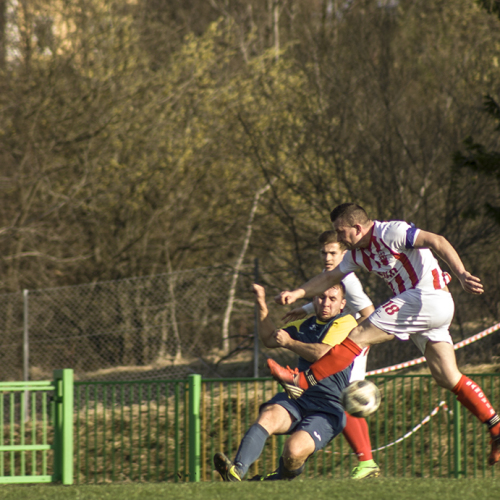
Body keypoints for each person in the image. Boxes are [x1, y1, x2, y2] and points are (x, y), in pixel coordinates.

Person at [269, 203, 500, 466]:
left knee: (358, 334)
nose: (339, 237)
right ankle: (496, 427)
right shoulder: (357, 255)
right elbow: (329, 277)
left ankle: (303, 381)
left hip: (426, 297)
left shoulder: (392, 232)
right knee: (447, 376)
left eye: (340, 231)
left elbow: (437, 240)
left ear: (356, 228)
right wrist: (298, 293)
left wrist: (461, 274)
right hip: (426, 311)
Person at [214, 282, 356, 482]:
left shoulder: (346, 322)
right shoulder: (304, 325)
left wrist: (290, 343)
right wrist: (261, 303)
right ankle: (236, 472)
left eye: (332, 299)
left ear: (342, 304)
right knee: (268, 416)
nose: (326, 303)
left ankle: (279, 480)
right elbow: (269, 339)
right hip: (299, 397)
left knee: (293, 452)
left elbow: (322, 354)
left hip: (328, 407)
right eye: (321, 297)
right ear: (314, 299)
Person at [282, 230, 379, 479]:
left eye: (333, 252)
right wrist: (304, 309)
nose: (327, 257)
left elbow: (369, 313)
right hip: (350, 342)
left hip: (355, 345)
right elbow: (328, 298)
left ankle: (367, 462)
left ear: (344, 253)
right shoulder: (334, 276)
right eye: (324, 252)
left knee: (346, 397)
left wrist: (358, 340)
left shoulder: (348, 278)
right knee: (344, 398)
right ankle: (366, 462)